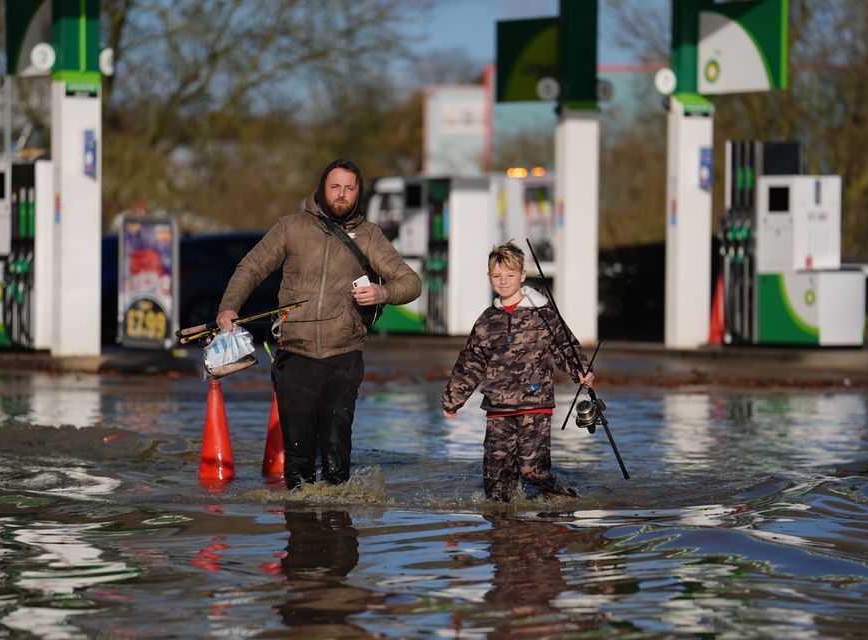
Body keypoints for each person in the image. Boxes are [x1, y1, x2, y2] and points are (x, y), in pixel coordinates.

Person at [216, 158, 422, 489]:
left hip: (344, 357)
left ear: (359, 193)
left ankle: (338, 534)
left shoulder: (369, 236)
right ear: (322, 188)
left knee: (336, 454)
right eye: (335, 186)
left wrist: (383, 292)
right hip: (295, 356)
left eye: (349, 188)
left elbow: (411, 282)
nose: (341, 194)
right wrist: (228, 307)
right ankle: (302, 534)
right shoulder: (291, 227)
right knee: (298, 461)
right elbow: (251, 267)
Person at [441, 241, 594, 502]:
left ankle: (565, 499)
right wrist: (452, 401)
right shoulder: (486, 320)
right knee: (495, 485)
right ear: (489, 278)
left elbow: (564, 346)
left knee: (532, 471)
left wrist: (580, 371)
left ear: (522, 276)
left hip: (535, 404)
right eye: (497, 276)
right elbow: (470, 362)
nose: (503, 281)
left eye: (510, 275)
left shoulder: (543, 313)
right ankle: (504, 534)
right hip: (498, 408)